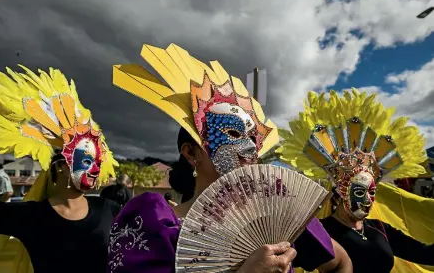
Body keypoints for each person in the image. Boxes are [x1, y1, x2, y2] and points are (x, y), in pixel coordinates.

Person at [107, 43, 352, 273]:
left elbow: (342, 263)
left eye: (254, 139)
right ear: (191, 153)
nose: (249, 149)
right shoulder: (155, 222)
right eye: (233, 134)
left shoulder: (280, 216)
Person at [276, 88, 434, 273]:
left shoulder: (379, 228)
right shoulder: (322, 231)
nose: (368, 200)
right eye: (359, 192)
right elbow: (284, 263)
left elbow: (426, 254)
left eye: (372, 192)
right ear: (342, 191)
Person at [0, 65, 119, 273]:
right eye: (88, 162)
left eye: (98, 163)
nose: (95, 170)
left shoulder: (109, 210)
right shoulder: (31, 216)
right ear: (63, 166)